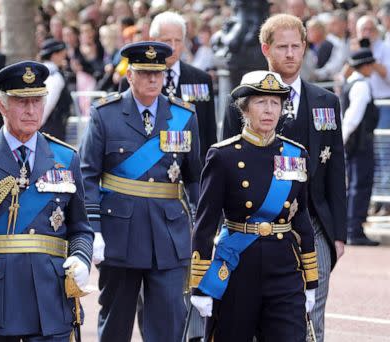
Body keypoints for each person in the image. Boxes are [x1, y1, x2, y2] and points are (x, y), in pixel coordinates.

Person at [0, 60, 93, 341]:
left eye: (37, 101)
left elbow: (80, 227)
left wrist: (81, 257)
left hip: (50, 296)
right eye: (22, 102)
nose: (31, 110)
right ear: (2, 106)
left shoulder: (65, 157)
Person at [222, 14, 347, 342]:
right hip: (255, 228)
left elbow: (336, 169)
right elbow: (223, 165)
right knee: (251, 316)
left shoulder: (326, 101)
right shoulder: (240, 100)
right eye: (282, 47)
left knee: (312, 313)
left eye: (297, 46)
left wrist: (340, 233)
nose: (291, 54)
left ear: (305, 47)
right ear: (266, 49)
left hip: (314, 224)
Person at [80, 41, 201, 342]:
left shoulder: (184, 116)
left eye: (157, 74)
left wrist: (203, 225)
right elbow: (88, 175)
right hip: (120, 233)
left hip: (169, 234)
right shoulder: (104, 114)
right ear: (130, 75)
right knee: (116, 322)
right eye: (144, 73)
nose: (152, 80)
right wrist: (93, 230)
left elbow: (195, 178)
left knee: (170, 322)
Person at [190, 70, 318, 341]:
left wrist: (311, 281)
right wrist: (199, 283)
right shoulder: (223, 155)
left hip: (284, 266)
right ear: (245, 109)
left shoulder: (296, 155)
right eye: (261, 102)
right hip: (238, 268)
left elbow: (302, 217)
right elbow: (205, 221)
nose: (269, 110)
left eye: (275, 103)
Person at [119, 11, 217, 163]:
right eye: (166, 40)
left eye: (177, 41)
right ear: (153, 40)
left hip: (191, 167)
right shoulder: (131, 80)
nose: (172, 47)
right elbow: (124, 128)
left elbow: (209, 132)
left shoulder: (201, 79)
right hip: (147, 167)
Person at [342, 44, 380, 246]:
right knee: (360, 185)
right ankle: (354, 229)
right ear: (365, 66)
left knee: (356, 185)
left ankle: (351, 227)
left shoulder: (351, 83)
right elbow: (352, 118)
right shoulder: (361, 85)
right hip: (360, 143)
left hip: (354, 143)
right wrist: (343, 139)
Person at [39, 38, 72, 140]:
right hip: (51, 131)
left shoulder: (42, 71)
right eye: (62, 54)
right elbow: (47, 106)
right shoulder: (55, 76)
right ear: (54, 55)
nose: (64, 57)